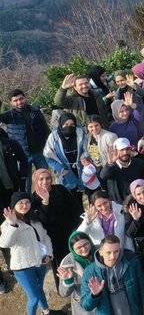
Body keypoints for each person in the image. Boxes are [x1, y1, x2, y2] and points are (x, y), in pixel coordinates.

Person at [0, 192, 56, 315]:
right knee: (34, 297)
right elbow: (5, 243)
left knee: (39, 290)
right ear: (13, 206)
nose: (24, 205)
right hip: (23, 267)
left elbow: (45, 237)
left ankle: (46, 312)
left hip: (40, 262)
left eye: (27, 202)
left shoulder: (34, 219)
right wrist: (13, 224)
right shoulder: (7, 224)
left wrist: (48, 253)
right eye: (20, 203)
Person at [30, 167, 83, 285]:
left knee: (77, 258)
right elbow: (45, 220)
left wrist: (80, 227)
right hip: (54, 239)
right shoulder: (33, 200)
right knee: (61, 265)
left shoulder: (60, 189)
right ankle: (65, 287)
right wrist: (45, 202)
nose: (45, 182)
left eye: (47, 178)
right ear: (35, 181)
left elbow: (75, 208)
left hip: (70, 232)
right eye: (41, 179)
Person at [0, 89, 49, 191]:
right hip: (22, 156)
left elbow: (45, 129)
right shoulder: (8, 116)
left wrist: (49, 145)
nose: (19, 102)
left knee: (45, 180)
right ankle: (28, 200)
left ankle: (44, 199)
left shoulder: (35, 112)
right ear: (11, 102)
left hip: (40, 152)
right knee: (26, 184)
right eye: (15, 100)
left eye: (21, 99)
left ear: (25, 98)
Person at [0, 127, 27, 293]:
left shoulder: (8, 143)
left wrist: (22, 179)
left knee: (14, 226)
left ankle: (15, 264)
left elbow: (23, 160)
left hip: (11, 193)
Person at [43, 111, 88, 204]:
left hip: (80, 168)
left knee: (80, 195)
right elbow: (48, 155)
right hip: (65, 171)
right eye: (66, 124)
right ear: (61, 124)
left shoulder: (80, 133)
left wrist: (84, 158)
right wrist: (60, 168)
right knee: (68, 196)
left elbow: (86, 149)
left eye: (72, 124)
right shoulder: (54, 137)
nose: (69, 127)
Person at [99, 137, 144, 204]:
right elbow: (103, 176)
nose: (125, 152)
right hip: (120, 204)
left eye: (127, 149)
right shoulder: (111, 167)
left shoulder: (138, 163)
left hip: (138, 201)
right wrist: (109, 164)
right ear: (116, 151)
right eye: (122, 150)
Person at [56, 231, 96, 315]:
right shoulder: (67, 263)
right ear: (72, 249)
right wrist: (68, 281)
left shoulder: (100, 253)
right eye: (78, 247)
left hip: (103, 300)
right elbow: (63, 293)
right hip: (83, 306)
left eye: (86, 244)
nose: (84, 249)